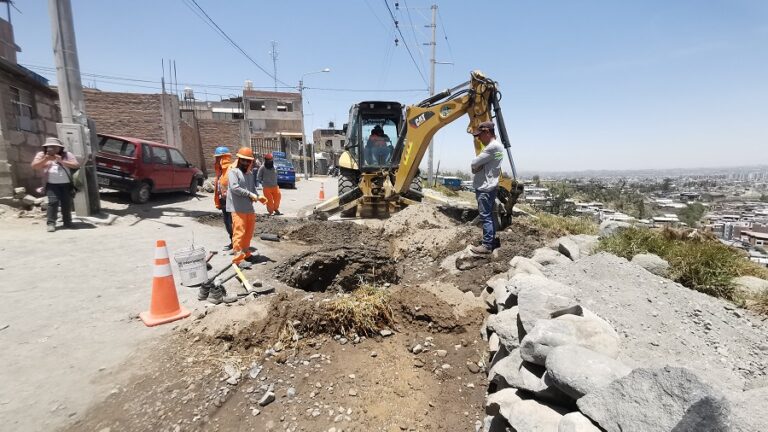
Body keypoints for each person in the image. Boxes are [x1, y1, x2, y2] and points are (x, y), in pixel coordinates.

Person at [30, 137, 80, 232]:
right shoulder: (42, 155)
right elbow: (34, 166)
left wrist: (62, 161)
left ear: (60, 148)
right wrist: (45, 159)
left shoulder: (67, 155)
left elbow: (76, 165)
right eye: (50, 147)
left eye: (55, 147)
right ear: (46, 148)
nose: (52, 149)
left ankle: (68, 222)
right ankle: (51, 223)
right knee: (53, 203)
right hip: (52, 185)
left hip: (67, 184)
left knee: (67, 203)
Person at [469, 121, 504, 254]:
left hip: (484, 187)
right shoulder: (499, 148)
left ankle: (487, 245)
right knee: (490, 215)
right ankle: (491, 240)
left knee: (485, 216)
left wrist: (476, 167)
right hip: (492, 186)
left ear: (487, 132)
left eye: (480, 135)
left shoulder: (492, 148)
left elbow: (474, 163)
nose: (478, 138)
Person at [227, 147, 262, 267]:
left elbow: (252, 189)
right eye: (243, 160)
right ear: (239, 159)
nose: (246, 163)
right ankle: (237, 259)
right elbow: (234, 188)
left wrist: (259, 197)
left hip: (249, 209)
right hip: (238, 209)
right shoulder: (233, 172)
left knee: (248, 233)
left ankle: (246, 253)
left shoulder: (250, 174)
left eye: (248, 161)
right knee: (239, 233)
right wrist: (250, 194)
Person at [212, 146, 233, 250]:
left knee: (232, 223)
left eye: (218, 158)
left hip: (232, 202)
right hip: (223, 201)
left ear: (224, 158)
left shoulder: (230, 170)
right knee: (227, 223)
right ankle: (232, 242)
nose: (216, 160)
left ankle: (237, 244)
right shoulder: (219, 171)